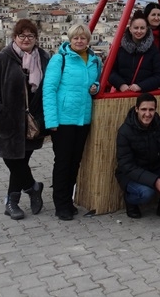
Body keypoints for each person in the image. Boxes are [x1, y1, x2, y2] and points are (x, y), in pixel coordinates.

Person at [0, 19, 50, 220]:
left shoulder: (43, 58)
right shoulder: (3, 58)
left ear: (36, 38)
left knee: (21, 163)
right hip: (7, 123)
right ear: (14, 37)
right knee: (13, 162)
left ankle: (12, 203)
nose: (26, 39)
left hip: (32, 123)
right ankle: (33, 187)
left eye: (30, 36)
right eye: (22, 35)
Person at [42, 23, 102, 221]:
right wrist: (51, 121)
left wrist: (95, 86)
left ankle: (68, 200)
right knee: (63, 162)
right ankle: (61, 204)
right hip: (63, 120)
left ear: (88, 40)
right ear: (70, 39)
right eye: (75, 37)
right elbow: (49, 90)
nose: (79, 41)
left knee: (75, 162)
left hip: (82, 118)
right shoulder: (60, 59)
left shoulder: (94, 60)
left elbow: (97, 82)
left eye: (83, 38)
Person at [115, 93, 160, 222]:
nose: (147, 114)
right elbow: (127, 166)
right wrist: (155, 181)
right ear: (136, 109)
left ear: (155, 110)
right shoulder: (125, 131)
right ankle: (130, 200)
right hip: (131, 175)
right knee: (146, 193)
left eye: (151, 110)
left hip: (155, 167)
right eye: (143, 109)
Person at [109, 10, 160, 92]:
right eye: (136, 28)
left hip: (144, 95)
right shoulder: (120, 48)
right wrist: (121, 84)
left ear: (146, 29)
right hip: (122, 94)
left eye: (142, 28)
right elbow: (110, 71)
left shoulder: (153, 49)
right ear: (130, 29)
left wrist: (141, 86)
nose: (139, 31)